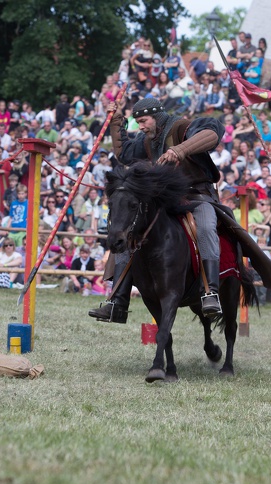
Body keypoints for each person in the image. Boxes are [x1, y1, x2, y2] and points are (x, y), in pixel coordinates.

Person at [88, 96, 227, 322]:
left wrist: (179, 150)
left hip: (198, 197)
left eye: (143, 121)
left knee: (205, 228)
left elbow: (213, 133)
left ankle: (210, 293)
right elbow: (124, 154)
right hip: (167, 200)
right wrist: (115, 121)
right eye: (139, 123)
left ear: (157, 116)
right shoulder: (147, 140)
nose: (141, 127)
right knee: (130, 232)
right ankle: (118, 301)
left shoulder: (181, 127)